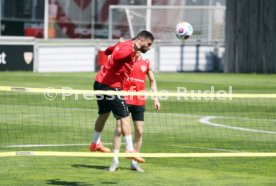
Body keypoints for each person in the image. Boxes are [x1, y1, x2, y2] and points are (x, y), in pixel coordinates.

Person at [89, 31, 154, 164]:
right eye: (148, 44)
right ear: (141, 39)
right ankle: (130, 149)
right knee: (125, 117)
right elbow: (118, 57)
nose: (149, 47)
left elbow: (107, 51)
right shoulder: (128, 48)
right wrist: (127, 50)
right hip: (111, 87)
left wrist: (118, 45)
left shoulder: (123, 44)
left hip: (100, 83)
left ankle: (95, 143)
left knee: (104, 113)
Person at [109, 50, 160, 172]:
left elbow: (152, 81)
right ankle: (115, 161)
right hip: (123, 99)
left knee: (139, 130)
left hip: (139, 101)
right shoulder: (125, 61)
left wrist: (156, 98)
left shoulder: (146, 62)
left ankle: (134, 162)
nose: (135, 51)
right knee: (119, 129)